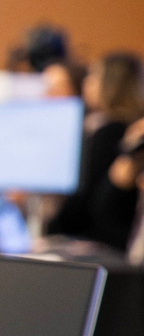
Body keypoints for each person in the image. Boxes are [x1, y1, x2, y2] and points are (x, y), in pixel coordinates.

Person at [49, 51, 144, 252]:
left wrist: (52, 230)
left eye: (94, 77)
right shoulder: (117, 129)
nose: (86, 83)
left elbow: (92, 205)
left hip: (102, 244)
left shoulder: (110, 132)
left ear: (111, 85)